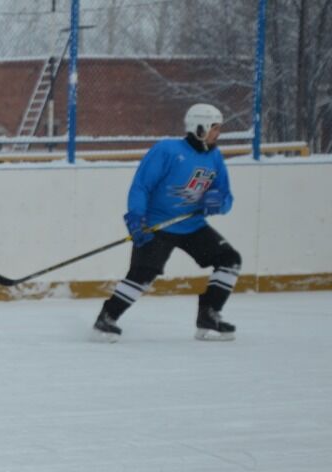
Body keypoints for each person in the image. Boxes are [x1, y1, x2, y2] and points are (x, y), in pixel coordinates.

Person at [93, 103, 241, 342]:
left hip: (192, 225)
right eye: (215, 128)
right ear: (199, 127)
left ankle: (209, 316)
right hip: (157, 225)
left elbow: (226, 197)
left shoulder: (215, 157)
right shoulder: (166, 150)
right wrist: (136, 218)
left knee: (229, 260)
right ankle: (106, 319)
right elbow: (142, 186)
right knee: (142, 274)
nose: (218, 133)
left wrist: (217, 202)